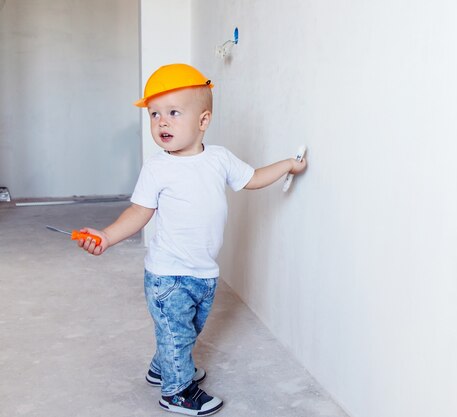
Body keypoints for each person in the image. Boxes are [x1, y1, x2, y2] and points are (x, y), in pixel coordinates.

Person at [77, 63, 307, 416]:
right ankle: (176, 391)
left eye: (172, 113)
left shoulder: (219, 159)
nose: (161, 122)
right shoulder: (157, 168)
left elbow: (253, 179)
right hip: (168, 275)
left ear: (203, 121)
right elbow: (138, 213)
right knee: (177, 332)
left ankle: (164, 366)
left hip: (203, 272)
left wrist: (287, 165)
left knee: (186, 330)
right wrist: (107, 236)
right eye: (154, 115)